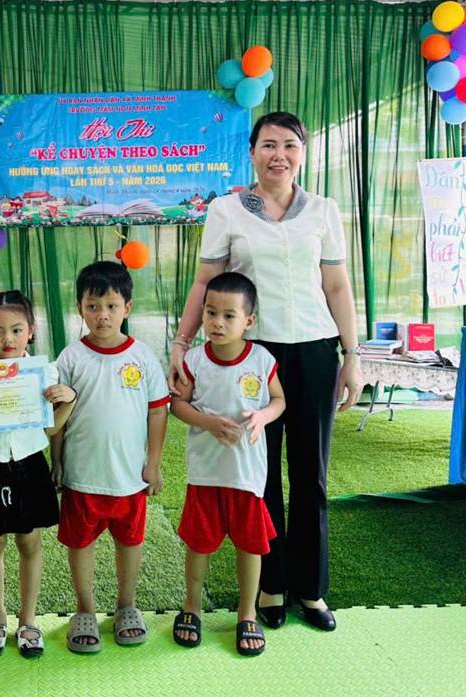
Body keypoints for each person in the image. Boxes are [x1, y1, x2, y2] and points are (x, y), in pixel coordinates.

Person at [168, 112, 363, 632]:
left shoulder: (322, 210)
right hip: (254, 357)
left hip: (316, 353)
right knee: (261, 475)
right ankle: (270, 586)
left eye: (290, 145)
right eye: (269, 145)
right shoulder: (227, 209)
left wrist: (352, 355)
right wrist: (182, 344)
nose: (280, 155)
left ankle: (312, 590)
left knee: (312, 474)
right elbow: (205, 283)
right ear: (252, 153)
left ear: (303, 153)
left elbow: (337, 287)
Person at [53, 261, 170, 653]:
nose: (101, 315)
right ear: (80, 308)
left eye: (111, 306)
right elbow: (57, 419)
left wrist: (153, 463)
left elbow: (158, 411)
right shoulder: (70, 359)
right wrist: (57, 461)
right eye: (92, 306)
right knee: (80, 544)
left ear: (127, 308)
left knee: (130, 542)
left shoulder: (143, 357)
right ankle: (84, 610)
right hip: (82, 476)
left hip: (129, 478)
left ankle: (126, 606)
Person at [0, 290, 77, 659]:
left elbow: (51, 429)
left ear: (31, 330)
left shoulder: (45, 374)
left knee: (29, 542)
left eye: (15, 330)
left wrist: (69, 400)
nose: (6, 339)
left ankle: (28, 621)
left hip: (29, 464)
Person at [171, 272, 285, 656]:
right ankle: (191, 607)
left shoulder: (261, 360)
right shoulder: (194, 361)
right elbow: (178, 405)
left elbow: (279, 401)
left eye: (229, 315)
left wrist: (262, 417)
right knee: (198, 545)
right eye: (210, 313)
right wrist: (208, 423)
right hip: (205, 474)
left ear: (249, 320)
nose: (217, 322)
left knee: (250, 546)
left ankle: (246, 613)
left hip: (247, 476)